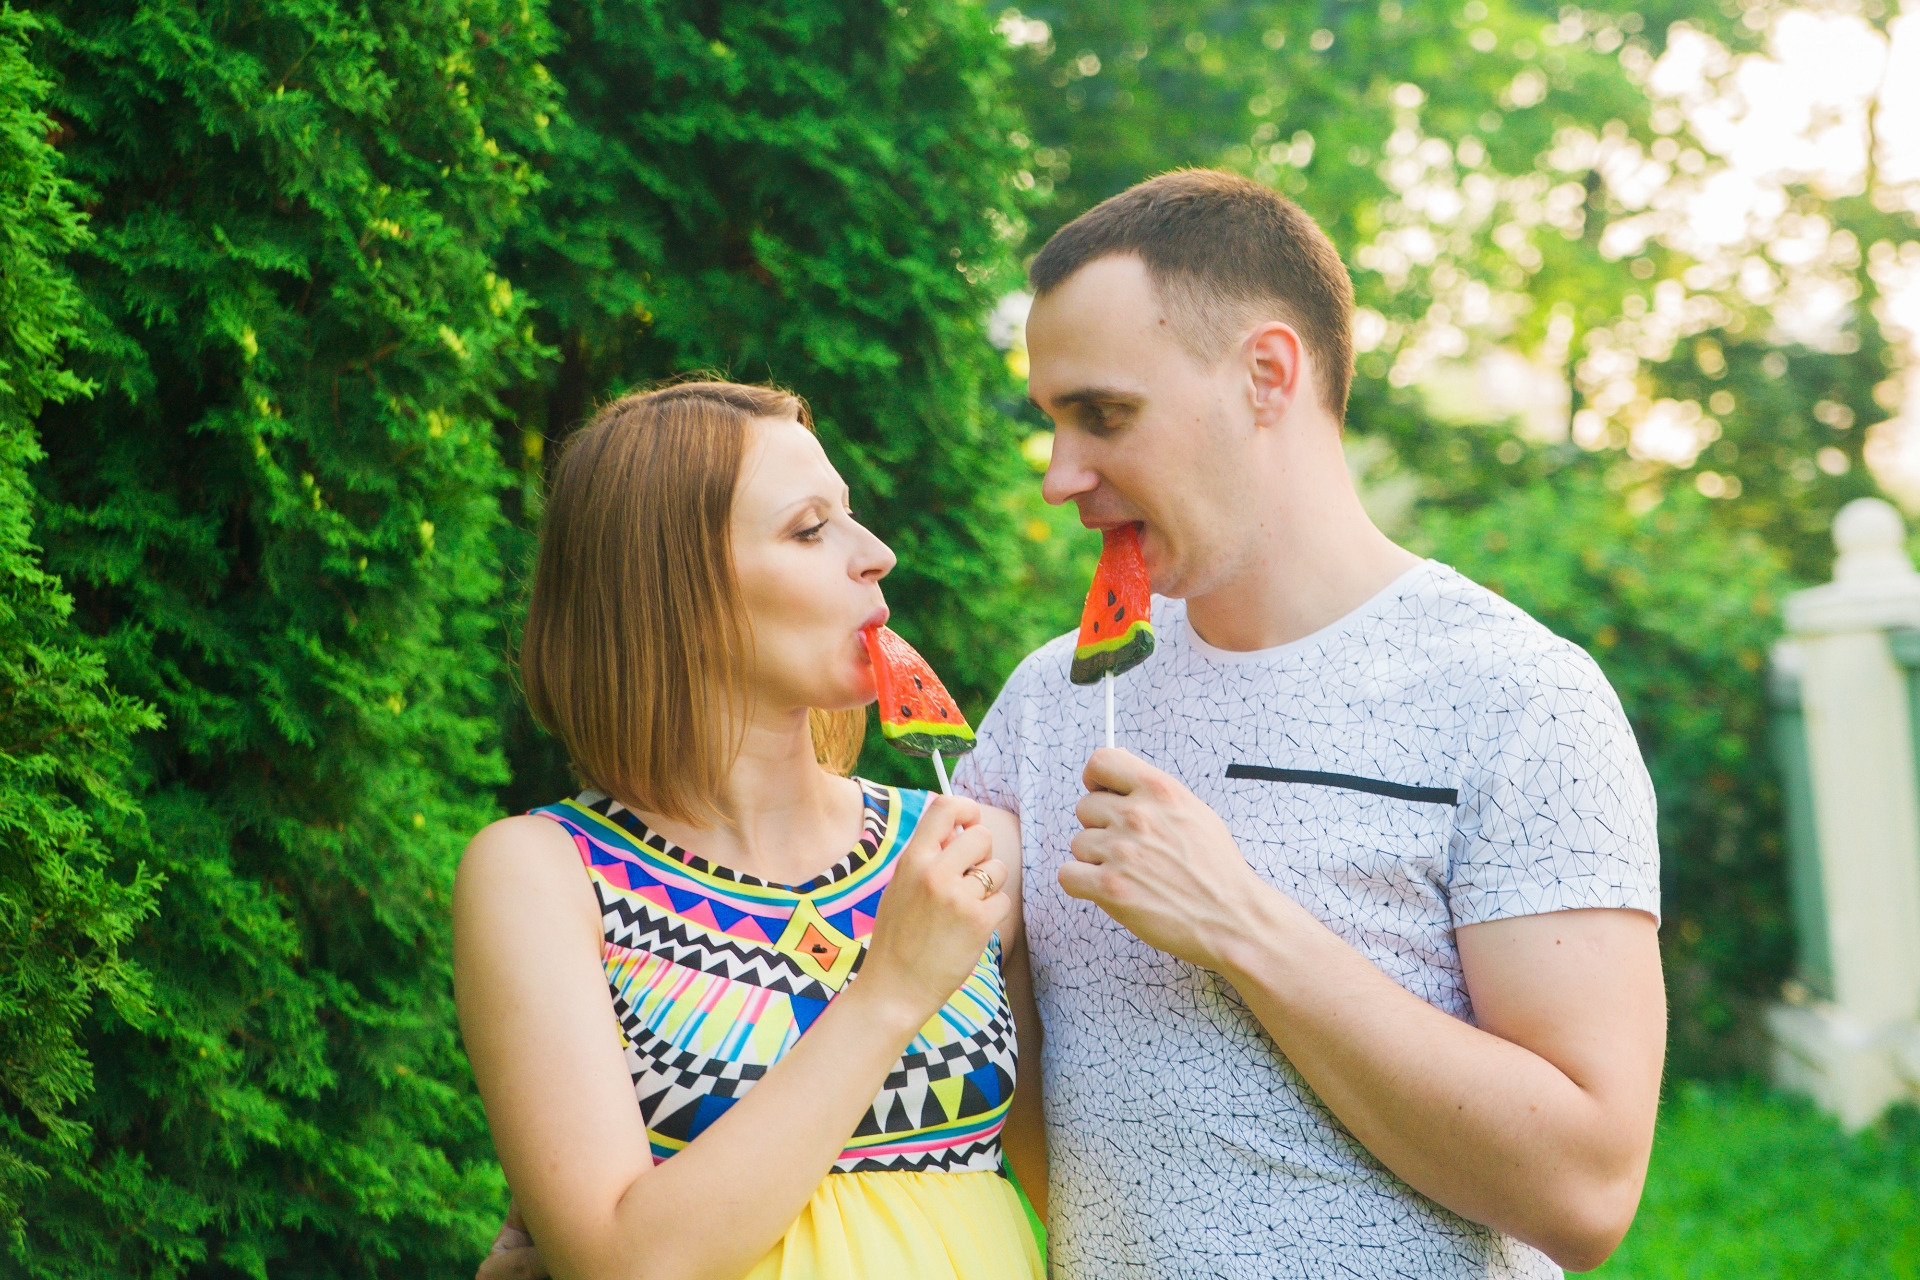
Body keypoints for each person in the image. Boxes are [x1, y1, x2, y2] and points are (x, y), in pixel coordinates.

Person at [949, 169, 1666, 1279]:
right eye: (1052, 421)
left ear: (1266, 375)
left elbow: (1586, 1188)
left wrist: (1237, 920)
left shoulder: (1520, 697)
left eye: (1104, 414)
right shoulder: (1051, 701)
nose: (1060, 475)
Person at [454, 380, 1047, 1280]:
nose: (877, 555)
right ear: (669, 587)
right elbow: (625, 1262)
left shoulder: (961, 854)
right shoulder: (544, 876)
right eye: (811, 530)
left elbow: (1094, 1197)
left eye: (852, 520)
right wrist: (888, 994)